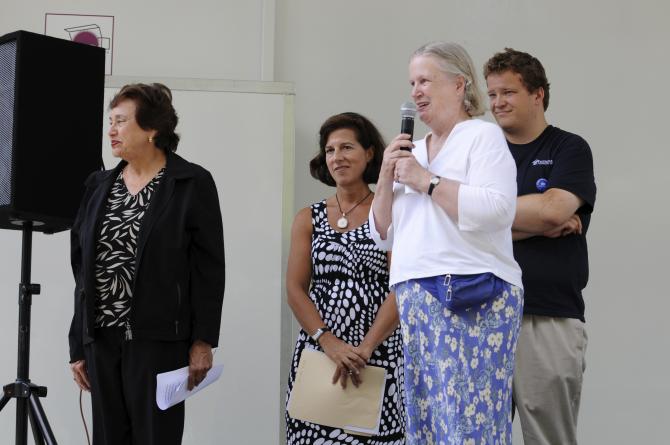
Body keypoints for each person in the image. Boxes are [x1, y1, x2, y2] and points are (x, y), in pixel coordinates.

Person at [369, 42, 524, 444]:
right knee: (428, 418)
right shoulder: (412, 150)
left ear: (459, 85)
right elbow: (382, 233)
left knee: (469, 418)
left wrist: (426, 181)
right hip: (416, 295)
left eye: (425, 80)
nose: (416, 91)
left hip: (473, 292)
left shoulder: (482, 137)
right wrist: (387, 177)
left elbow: (497, 209)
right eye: (412, 83)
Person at [68, 83, 225, 445]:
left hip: (159, 341)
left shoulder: (190, 183)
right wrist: (78, 344)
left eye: (121, 121)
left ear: (152, 128)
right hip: (102, 340)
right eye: (110, 121)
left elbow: (209, 269)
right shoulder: (98, 185)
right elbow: (82, 272)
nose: (111, 130)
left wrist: (203, 340)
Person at [484, 48, 596, 445]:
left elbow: (552, 211)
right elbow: (455, 225)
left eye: (508, 92)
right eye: (492, 93)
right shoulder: (482, 152)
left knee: (550, 439)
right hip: (481, 313)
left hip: (546, 314)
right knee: (476, 436)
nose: (497, 103)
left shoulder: (569, 149)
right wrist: (533, 224)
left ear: (538, 94)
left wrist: (486, 219)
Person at [285, 112, 406, 444]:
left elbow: (401, 288)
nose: (337, 157)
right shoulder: (308, 217)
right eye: (329, 150)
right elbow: (295, 289)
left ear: (369, 154)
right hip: (319, 354)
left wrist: (364, 348)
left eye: (347, 147)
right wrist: (328, 342)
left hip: (379, 355)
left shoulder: (391, 211)